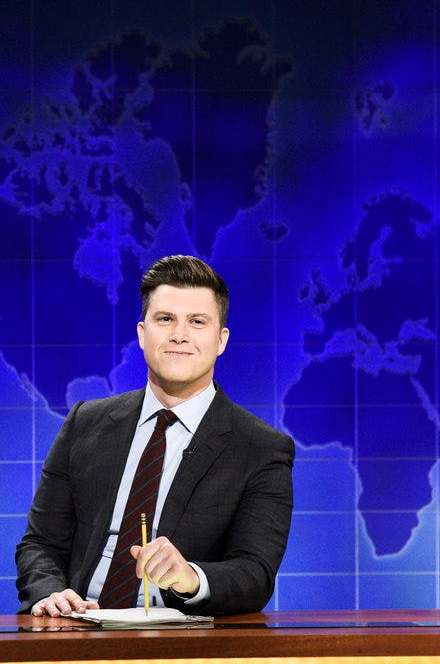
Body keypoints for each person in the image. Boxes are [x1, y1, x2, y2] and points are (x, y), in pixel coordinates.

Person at [15, 254, 294, 617]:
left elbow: (255, 573)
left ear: (221, 340)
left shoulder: (261, 449)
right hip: (78, 628)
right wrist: (50, 593)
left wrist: (191, 577)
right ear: (142, 334)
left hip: (181, 639)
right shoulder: (85, 422)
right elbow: (40, 543)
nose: (179, 334)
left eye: (197, 322)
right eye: (165, 319)